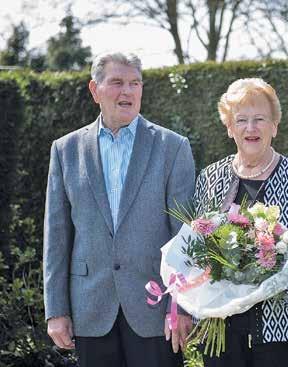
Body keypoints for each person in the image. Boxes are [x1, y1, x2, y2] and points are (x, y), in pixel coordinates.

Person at [43, 52, 195, 367]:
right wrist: (56, 311)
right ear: (94, 90)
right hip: (91, 308)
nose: (127, 91)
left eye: (134, 83)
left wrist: (182, 308)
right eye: (116, 82)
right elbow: (56, 237)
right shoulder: (66, 150)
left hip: (156, 311)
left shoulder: (172, 147)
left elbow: (185, 236)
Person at [189, 78, 288, 367]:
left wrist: (277, 288)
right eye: (241, 120)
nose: (251, 128)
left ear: (274, 126)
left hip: (284, 328)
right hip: (221, 329)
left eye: (260, 119)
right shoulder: (209, 178)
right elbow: (195, 250)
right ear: (229, 127)